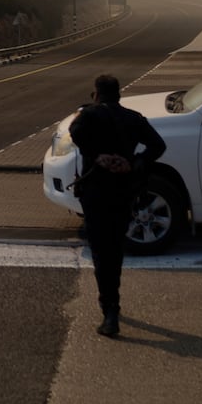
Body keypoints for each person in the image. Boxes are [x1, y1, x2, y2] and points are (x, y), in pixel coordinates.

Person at [68, 72, 166, 337]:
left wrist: (97, 156)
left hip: (95, 194)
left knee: (101, 252)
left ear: (97, 94)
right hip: (123, 193)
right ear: (119, 94)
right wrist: (133, 163)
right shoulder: (133, 119)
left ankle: (110, 310)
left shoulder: (89, 116)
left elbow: (74, 132)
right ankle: (113, 303)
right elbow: (158, 145)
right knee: (115, 247)